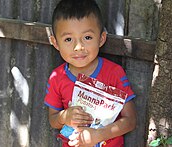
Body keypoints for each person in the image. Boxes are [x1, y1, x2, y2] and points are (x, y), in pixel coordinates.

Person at [44, 0, 137, 146]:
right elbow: (53, 120)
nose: (78, 47)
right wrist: (64, 117)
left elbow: (130, 121)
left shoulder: (114, 73)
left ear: (101, 39)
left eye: (87, 37)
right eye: (68, 39)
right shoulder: (57, 78)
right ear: (55, 43)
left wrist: (99, 135)